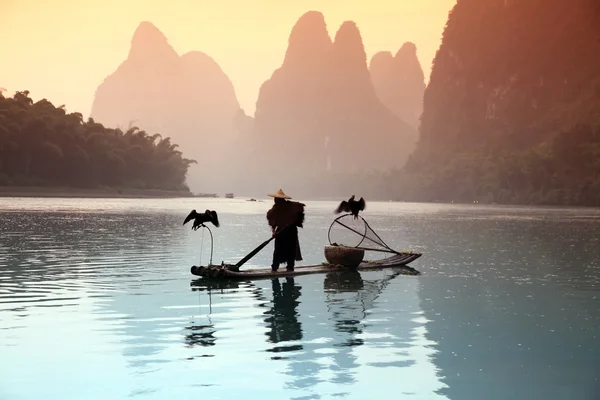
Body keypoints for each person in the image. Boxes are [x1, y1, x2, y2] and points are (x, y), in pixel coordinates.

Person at [266, 189, 305, 272]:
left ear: (282, 199)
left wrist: (293, 220)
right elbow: (273, 222)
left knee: (291, 249)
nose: (275, 200)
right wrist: (274, 232)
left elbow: (301, 207)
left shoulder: (291, 206)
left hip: (291, 231)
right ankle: (274, 267)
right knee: (278, 250)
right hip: (280, 231)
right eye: (275, 199)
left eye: (277, 199)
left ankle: (290, 268)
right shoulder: (274, 209)